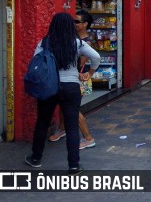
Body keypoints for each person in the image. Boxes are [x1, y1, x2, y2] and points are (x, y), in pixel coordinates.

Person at [25, 12, 100, 175]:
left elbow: (35, 60)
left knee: (43, 122)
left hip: (49, 87)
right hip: (71, 87)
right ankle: (73, 166)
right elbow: (96, 57)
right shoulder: (77, 43)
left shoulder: (45, 42)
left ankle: (36, 158)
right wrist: (90, 73)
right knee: (72, 126)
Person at [48, 10, 96, 149]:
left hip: (80, 77)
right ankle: (63, 129)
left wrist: (90, 73)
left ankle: (88, 137)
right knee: (64, 106)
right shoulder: (73, 38)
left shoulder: (85, 42)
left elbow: (80, 63)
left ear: (85, 24)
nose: (74, 24)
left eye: (77, 21)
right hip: (73, 77)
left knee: (73, 110)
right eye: (73, 21)